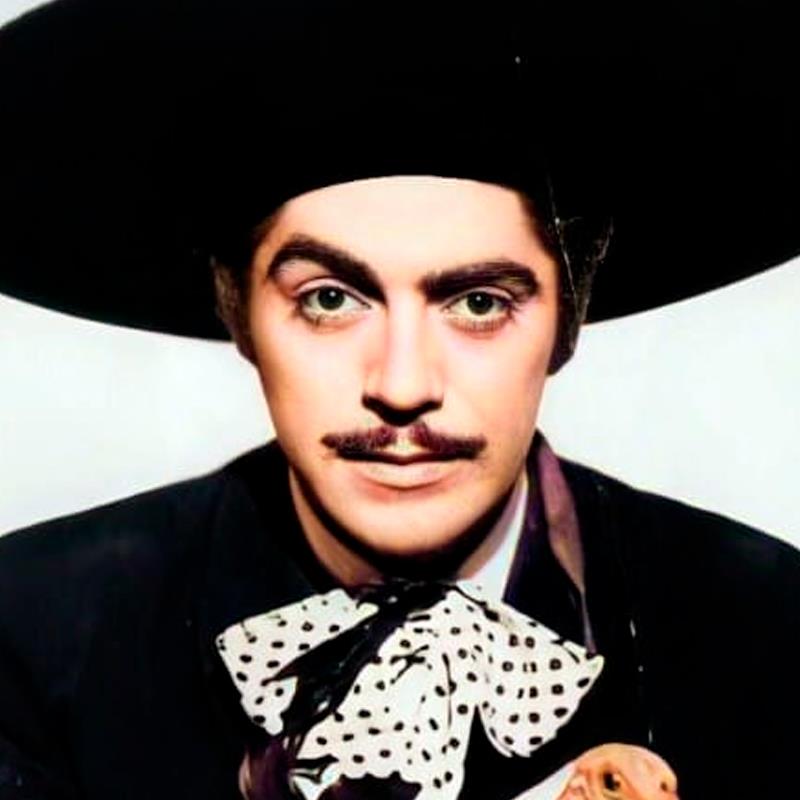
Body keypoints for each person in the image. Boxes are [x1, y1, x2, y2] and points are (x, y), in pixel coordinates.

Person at [0, 1, 798, 799]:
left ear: (567, 318)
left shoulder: (769, 628)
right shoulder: (33, 633)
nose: (403, 385)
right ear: (239, 312)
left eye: (478, 303)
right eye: (329, 299)